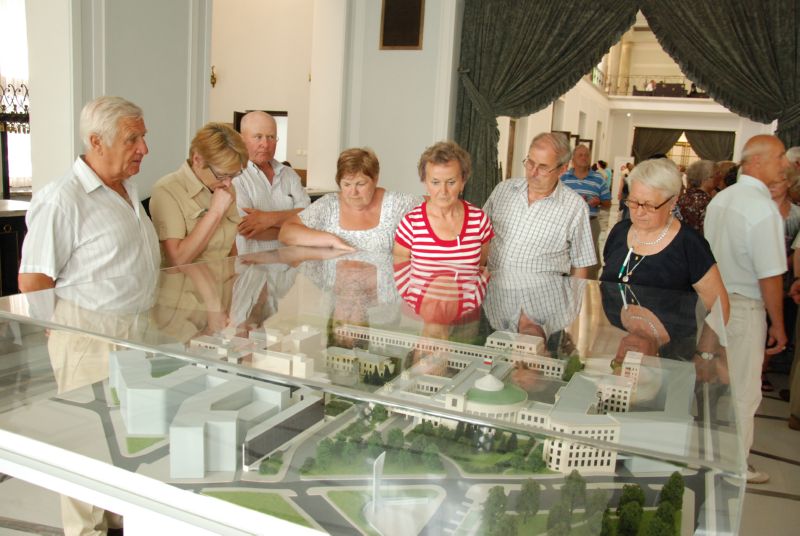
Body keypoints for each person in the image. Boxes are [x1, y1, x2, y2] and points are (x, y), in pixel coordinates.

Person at [18, 95, 160, 535]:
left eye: (143, 137)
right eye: (132, 139)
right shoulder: (62, 199)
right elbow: (33, 278)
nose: (143, 148)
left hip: (134, 331)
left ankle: (117, 516)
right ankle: (85, 530)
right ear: (97, 142)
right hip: (88, 334)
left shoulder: (125, 188)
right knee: (84, 441)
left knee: (126, 434)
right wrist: (59, 329)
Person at [705, 134, 790, 484]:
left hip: (712, 302)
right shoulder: (761, 208)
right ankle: (735, 466)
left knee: (714, 385)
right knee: (744, 392)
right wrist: (778, 324)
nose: (785, 164)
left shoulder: (722, 199)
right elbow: (770, 276)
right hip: (743, 305)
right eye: (779, 156)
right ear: (755, 161)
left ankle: (710, 456)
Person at [601, 158, 728, 313]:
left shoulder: (689, 244)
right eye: (633, 202)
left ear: (672, 202)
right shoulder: (620, 232)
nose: (639, 212)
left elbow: (719, 308)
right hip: (615, 328)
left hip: (671, 329)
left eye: (649, 205)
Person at [483, 132, 595, 277]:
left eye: (543, 167)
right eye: (530, 163)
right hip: (493, 287)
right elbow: (479, 236)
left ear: (562, 169)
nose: (533, 172)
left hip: (543, 291)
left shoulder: (576, 208)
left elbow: (580, 265)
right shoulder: (503, 190)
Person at [279, 148, 422, 251]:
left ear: (375, 179)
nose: (353, 192)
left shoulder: (396, 204)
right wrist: (330, 240)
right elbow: (286, 232)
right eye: (346, 184)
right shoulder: (329, 205)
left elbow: (432, 204)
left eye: (361, 184)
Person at [150, 122, 248, 267]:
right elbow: (176, 260)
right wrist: (215, 212)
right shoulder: (166, 190)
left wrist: (234, 275)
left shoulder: (226, 186)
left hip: (223, 278)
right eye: (221, 175)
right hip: (185, 281)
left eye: (233, 175)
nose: (228, 183)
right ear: (197, 160)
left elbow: (230, 246)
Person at [393, 141, 493, 267]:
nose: (443, 191)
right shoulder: (410, 224)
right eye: (435, 182)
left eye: (451, 182)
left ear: (463, 182)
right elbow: (400, 274)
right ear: (425, 183)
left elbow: (479, 270)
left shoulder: (480, 221)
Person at [233, 111, 311, 253]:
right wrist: (294, 228)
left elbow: (309, 217)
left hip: (291, 263)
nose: (265, 144)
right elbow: (247, 229)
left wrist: (268, 218)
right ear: (241, 139)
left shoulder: (289, 174)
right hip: (253, 264)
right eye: (258, 137)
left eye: (271, 137)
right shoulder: (234, 176)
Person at [559, 144, 611, 278]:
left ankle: (588, 286)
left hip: (590, 223)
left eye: (587, 155)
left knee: (590, 259)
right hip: (567, 224)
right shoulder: (563, 178)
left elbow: (608, 203)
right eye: (580, 155)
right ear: (572, 159)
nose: (584, 157)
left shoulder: (598, 179)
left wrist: (599, 202)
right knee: (565, 256)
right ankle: (565, 284)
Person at [675, 159, 715, 234]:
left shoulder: (684, 197)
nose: (718, 178)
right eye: (714, 176)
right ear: (705, 179)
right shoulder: (705, 201)